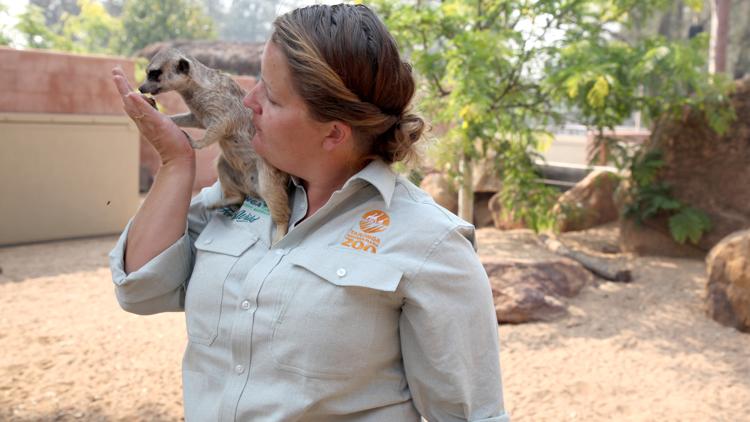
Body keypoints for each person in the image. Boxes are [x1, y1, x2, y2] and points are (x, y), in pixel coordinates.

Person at [109, 4, 509, 421]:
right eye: (259, 81)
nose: (250, 101)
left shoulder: (431, 245)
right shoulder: (242, 195)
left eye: (273, 97)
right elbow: (141, 289)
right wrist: (176, 162)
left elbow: (470, 415)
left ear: (334, 132)